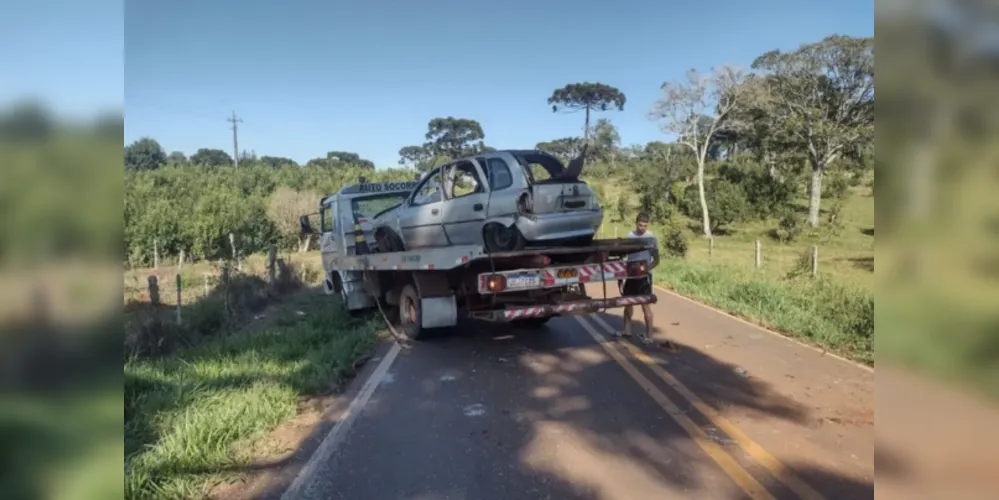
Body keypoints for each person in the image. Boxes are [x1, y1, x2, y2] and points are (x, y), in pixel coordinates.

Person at [613, 212, 679, 352]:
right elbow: (624, 254)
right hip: (631, 276)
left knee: (645, 306)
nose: (642, 228)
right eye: (640, 225)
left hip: (644, 277)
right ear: (636, 223)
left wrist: (647, 269)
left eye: (645, 225)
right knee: (628, 303)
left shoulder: (651, 238)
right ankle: (627, 330)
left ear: (647, 225)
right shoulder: (630, 236)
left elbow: (656, 259)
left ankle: (649, 335)